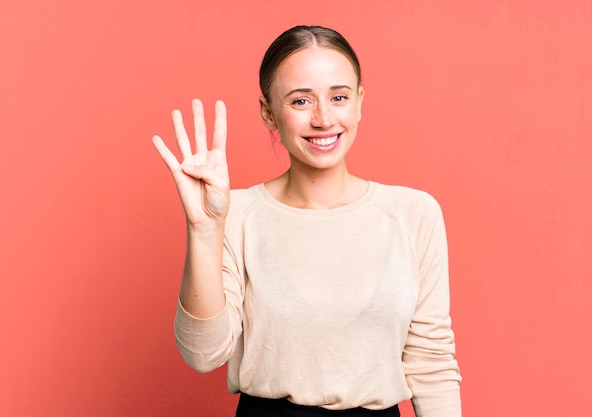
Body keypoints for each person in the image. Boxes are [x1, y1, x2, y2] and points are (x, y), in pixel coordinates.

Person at [152, 25, 461, 417]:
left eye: (339, 97)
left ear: (359, 102)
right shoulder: (237, 214)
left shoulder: (414, 213)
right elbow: (203, 354)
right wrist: (204, 229)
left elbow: (431, 363)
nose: (323, 118)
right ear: (268, 112)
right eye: (300, 101)